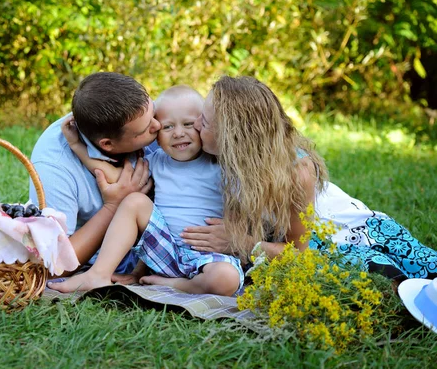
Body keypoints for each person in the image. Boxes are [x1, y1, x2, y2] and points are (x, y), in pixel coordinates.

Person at [183, 75, 437, 280]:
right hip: (300, 244)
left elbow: (298, 253)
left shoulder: (296, 172)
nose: (194, 125)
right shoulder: (223, 156)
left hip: (352, 234)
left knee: (401, 281)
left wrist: (241, 243)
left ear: (234, 138)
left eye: (204, 122)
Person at [48, 86, 243, 296]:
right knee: (133, 200)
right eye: (168, 127)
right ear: (157, 135)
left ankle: (176, 285)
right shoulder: (157, 161)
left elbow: (244, 209)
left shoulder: (220, 166)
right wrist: (78, 146)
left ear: (202, 124)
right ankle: (98, 274)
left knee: (226, 278)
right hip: (163, 249)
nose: (178, 133)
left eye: (188, 124)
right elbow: (118, 179)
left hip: (208, 256)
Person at [29, 72, 160, 274]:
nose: (158, 126)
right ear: (107, 144)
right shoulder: (54, 167)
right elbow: (54, 264)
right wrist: (113, 206)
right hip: (116, 253)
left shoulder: (141, 116)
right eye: (144, 131)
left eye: (154, 113)